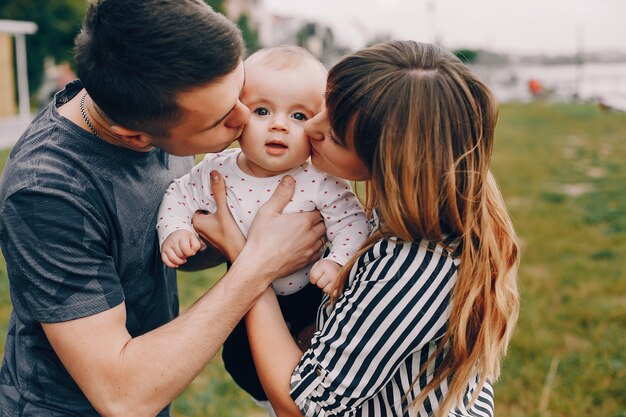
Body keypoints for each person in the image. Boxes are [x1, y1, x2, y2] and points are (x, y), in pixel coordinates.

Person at [0, 1, 325, 416]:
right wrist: (256, 263)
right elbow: (123, 396)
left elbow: (161, 254)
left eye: (240, 92)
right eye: (222, 119)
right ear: (135, 137)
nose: (245, 119)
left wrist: (237, 229)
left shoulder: (161, 89)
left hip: (158, 379)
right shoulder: (47, 193)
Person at [196, 41, 520, 417]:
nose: (313, 126)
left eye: (334, 135)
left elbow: (302, 405)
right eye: (324, 105)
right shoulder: (396, 215)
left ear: (388, 162)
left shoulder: (411, 268)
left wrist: (249, 260)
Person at [157, 46, 368, 411]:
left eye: (299, 115)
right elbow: (178, 194)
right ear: (236, 115)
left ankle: (288, 399)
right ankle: (266, 397)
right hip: (244, 296)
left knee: (309, 356)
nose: (279, 124)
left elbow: (352, 223)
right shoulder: (217, 169)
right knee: (240, 357)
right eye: (262, 111)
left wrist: (337, 261)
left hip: (311, 297)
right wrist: (175, 230)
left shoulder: (319, 179)